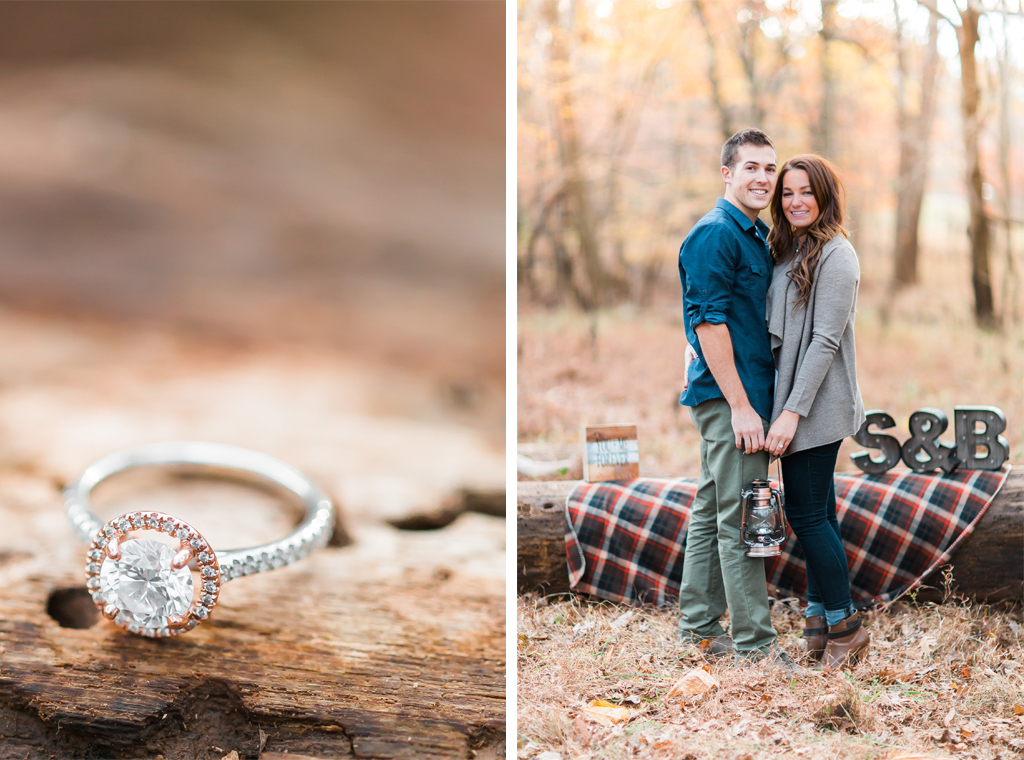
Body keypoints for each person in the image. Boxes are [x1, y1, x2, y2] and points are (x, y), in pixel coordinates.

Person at [677, 128, 786, 664]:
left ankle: (697, 624)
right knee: (745, 516)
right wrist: (741, 408)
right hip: (730, 399)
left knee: (710, 507)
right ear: (727, 173)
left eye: (770, 168)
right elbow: (708, 325)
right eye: (751, 168)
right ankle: (755, 644)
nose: (763, 178)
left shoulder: (753, 234)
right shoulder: (716, 234)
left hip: (744, 395)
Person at [762, 154, 870, 669]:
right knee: (818, 510)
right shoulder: (788, 247)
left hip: (818, 406)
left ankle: (846, 627)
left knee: (805, 515)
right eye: (788, 192)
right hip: (793, 399)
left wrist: (791, 414)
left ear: (825, 195)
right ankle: (819, 615)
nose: (796, 201)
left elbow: (825, 340)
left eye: (806, 191)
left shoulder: (837, 254)